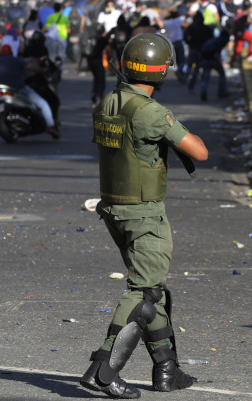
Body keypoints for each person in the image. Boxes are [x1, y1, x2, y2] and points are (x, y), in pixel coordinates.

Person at [81, 33, 208, 398]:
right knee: (143, 293)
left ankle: (167, 369)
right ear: (160, 72)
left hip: (114, 210)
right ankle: (102, 371)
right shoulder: (151, 112)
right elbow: (199, 151)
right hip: (143, 214)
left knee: (155, 292)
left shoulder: (109, 102)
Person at [0, 44, 59, 139]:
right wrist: (43, 70)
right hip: (19, 89)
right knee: (43, 104)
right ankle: (50, 125)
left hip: (4, 91)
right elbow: (31, 67)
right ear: (11, 52)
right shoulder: (16, 60)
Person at [199, 25, 232, 101]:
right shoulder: (222, 40)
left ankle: (204, 91)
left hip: (205, 58)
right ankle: (222, 92)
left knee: (206, 77)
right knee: (222, 74)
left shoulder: (213, 40)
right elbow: (217, 51)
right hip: (212, 59)